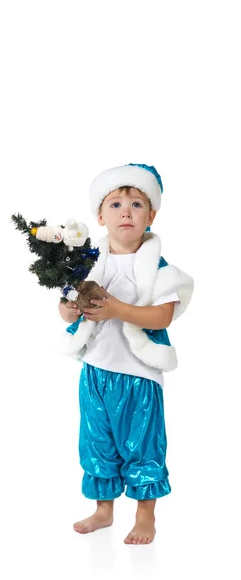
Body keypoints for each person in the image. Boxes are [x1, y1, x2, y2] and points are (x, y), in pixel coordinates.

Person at [58, 163, 194, 545]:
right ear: (100, 216)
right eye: (115, 204)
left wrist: (119, 309)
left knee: (142, 442)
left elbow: (162, 315)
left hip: (138, 374)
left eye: (137, 204)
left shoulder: (158, 270)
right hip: (96, 371)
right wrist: (68, 311)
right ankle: (104, 509)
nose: (126, 212)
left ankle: (145, 514)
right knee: (97, 440)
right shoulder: (87, 266)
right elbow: (66, 307)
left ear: (151, 215)